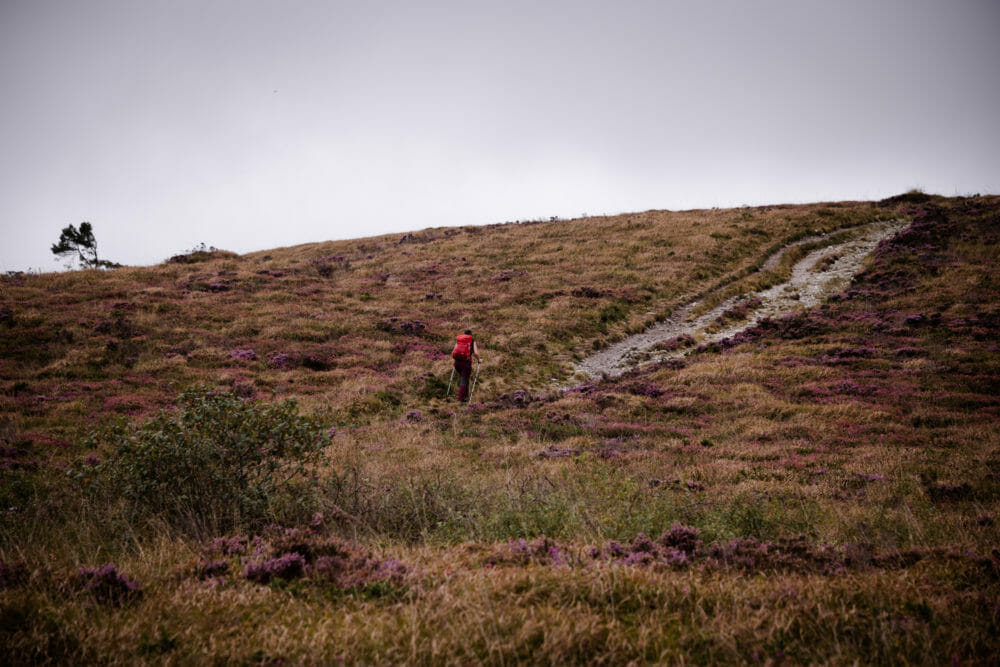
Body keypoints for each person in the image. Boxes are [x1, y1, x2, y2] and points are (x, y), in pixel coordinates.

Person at [452, 329, 481, 402]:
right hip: (466, 363)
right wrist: (479, 360)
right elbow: (476, 353)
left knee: (465, 379)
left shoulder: (459, 340)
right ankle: (461, 399)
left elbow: (453, 351)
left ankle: (465, 397)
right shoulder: (472, 340)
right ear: (471, 335)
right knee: (464, 380)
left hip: (457, 363)